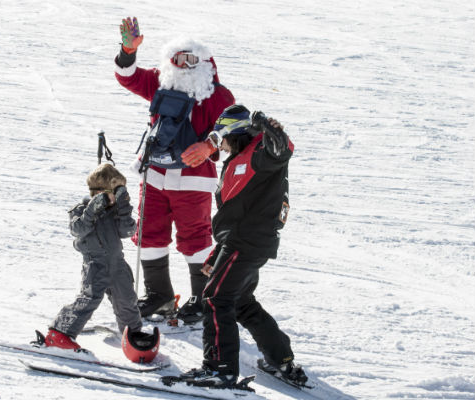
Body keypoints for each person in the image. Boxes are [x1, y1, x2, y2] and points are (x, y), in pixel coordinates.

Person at [176, 105, 308, 388]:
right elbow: (234, 213)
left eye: (220, 137)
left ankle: (220, 369)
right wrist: (217, 251)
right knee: (241, 303)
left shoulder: (260, 155)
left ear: (232, 132)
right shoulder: (238, 159)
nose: (219, 145)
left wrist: (268, 127)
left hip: (247, 241)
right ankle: (280, 359)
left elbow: (282, 150)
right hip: (239, 241)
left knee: (215, 299)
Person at [115, 17, 235, 322]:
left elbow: (234, 127)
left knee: (195, 238)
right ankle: (159, 296)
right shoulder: (160, 83)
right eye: (177, 61)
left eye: (191, 61)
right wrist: (128, 51)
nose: (184, 67)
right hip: (155, 175)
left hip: (193, 181)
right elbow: (128, 77)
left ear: (205, 63)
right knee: (149, 232)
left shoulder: (217, 95)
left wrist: (209, 146)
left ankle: (203, 298)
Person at [37, 163, 158, 361]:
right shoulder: (81, 210)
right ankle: (59, 333)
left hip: (118, 264)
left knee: (126, 299)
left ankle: (133, 334)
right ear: (100, 192)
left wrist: (124, 208)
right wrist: (92, 209)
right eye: (114, 192)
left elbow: (127, 231)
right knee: (89, 299)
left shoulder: (115, 212)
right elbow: (78, 230)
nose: (116, 197)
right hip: (96, 264)